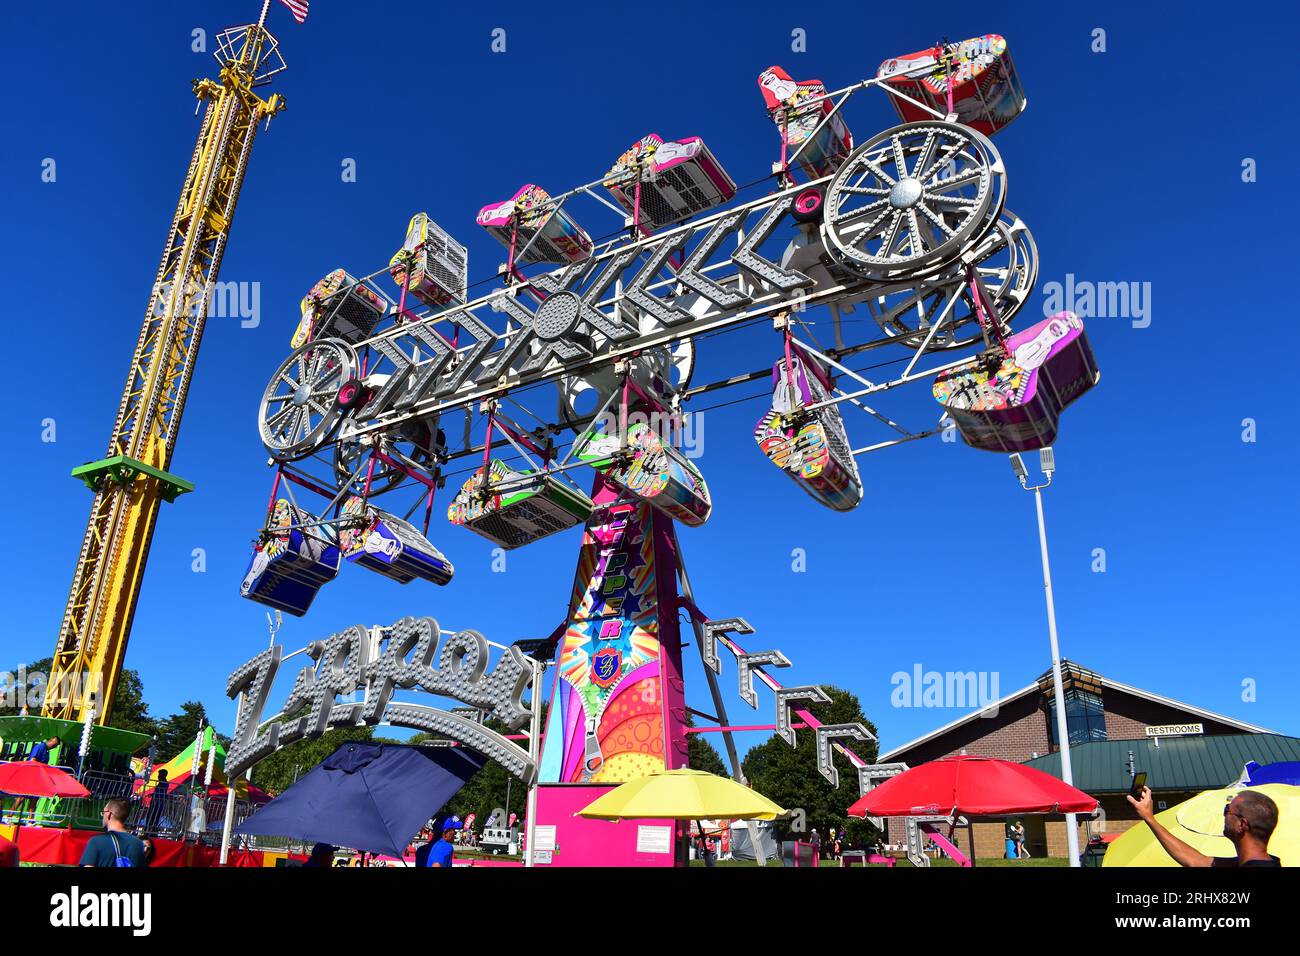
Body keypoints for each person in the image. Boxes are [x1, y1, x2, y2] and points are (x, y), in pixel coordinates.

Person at [1128, 785, 1281, 867]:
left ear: (1242, 824)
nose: (1224, 814)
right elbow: (1195, 861)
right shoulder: (1259, 862)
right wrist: (1150, 818)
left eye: (1227, 810)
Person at [79, 798, 147, 867]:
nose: (102, 815)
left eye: (103, 812)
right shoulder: (138, 844)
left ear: (109, 814)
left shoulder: (96, 842)